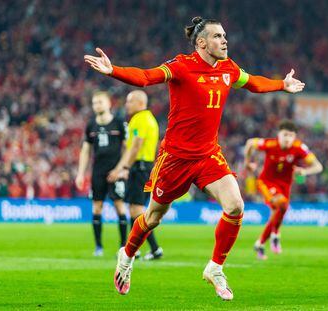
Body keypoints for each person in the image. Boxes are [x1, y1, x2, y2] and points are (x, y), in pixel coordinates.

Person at [84, 16, 305, 300]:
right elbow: (147, 77)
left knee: (236, 206)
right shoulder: (181, 66)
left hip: (208, 154)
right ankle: (126, 257)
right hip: (175, 157)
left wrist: (280, 85)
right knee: (152, 217)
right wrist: (113, 70)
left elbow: (253, 83)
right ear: (201, 43)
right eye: (217, 37)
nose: (224, 41)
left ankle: (215, 268)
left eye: (224, 36)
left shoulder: (228, 68)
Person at [244, 120, 323, 260]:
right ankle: (275, 235)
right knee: (281, 204)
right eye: (285, 134)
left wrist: (304, 172)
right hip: (266, 183)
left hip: (285, 186)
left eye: (291, 135)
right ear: (279, 135)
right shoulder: (270, 144)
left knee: (279, 210)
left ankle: (261, 243)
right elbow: (250, 143)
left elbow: (318, 167)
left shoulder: (299, 148)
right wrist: (247, 162)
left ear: (295, 137)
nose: (288, 138)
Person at [107, 90, 163, 260]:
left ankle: (146, 248)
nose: (126, 104)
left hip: (139, 168)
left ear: (140, 103)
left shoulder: (140, 120)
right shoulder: (149, 119)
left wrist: (122, 167)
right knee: (135, 209)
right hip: (145, 167)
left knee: (137, 209)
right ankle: (149, 248)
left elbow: (135, 147)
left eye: (130, 101)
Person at [75, 91, 128, 257]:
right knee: (97, 207)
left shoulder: (119, 123)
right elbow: (85, 150)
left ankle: (123, 247)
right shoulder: (91, 125)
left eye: (100, 102)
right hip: (98, 171)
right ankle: (98, 247)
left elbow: (127, 148)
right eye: (94, 103)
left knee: (119, 205)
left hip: (116, 170)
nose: (97, 105)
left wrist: (122, 169)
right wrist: (80, 173)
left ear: (108, 104)